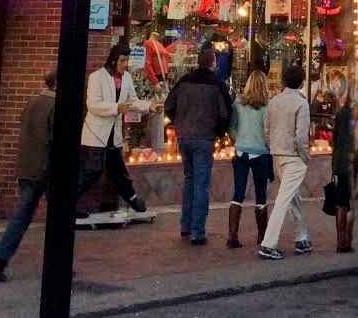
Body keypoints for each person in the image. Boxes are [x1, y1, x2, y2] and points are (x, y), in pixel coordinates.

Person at [0, 71, 56, 282]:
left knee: (22, 216)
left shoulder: (32, 101)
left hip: (26, 166)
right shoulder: (56, 106)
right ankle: (58, 263)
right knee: (59, 218)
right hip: (46, 168)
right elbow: (55, 140)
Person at [77, 44, 159, 214]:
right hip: (96, 134)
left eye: (127, 60)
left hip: (113, 135)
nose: (125, 64)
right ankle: (67, 202)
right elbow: (93, 105)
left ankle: (133, 200)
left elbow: (133, 101)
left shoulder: (127, 78)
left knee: (119, 172)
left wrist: (149, 106)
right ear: (113, 61)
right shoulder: (96, 77)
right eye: (122, 60)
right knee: (92, 171)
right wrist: (117, 108)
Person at [163, 48, 231, 245]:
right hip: (204, 138)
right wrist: (219, 132)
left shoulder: (184, 81)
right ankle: (197, 232)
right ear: (213, 63)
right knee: (201, 184)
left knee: (190, 180)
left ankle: (185, 226)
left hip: (184, 137)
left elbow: (169, 106)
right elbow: (225, 114)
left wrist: (179, 123)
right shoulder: (217, 85)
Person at [257, 64, 311, 260]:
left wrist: (273, 147)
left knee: (291, 197)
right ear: (302, 82)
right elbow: (301, 137)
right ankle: (268, 244)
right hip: (293, 157)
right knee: (283, 200)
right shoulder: (301, 103)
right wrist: (305, 156)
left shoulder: (274, 101)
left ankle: (302, 237)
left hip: (277, 155)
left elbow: (267, 130)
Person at [226, 70, 271, 249]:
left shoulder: (238, 102)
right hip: (260, 152)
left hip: (241, 152)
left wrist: (239, 140)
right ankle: (262, 236)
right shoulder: (267, 106)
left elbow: (232, 126)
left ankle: (232, 235)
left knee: (238, 192)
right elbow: (267, 131)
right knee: (261, 194)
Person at [330, 95, 356, 253]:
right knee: (348, 202)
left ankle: (342, 242)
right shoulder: (352, 116)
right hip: (349, 163)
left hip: (340, 162)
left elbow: (335, 138)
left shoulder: (342, 114)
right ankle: (345, 242)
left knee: (341, 200)